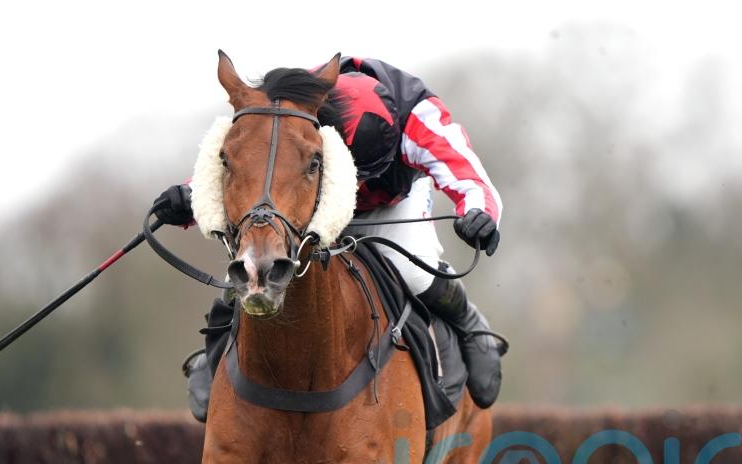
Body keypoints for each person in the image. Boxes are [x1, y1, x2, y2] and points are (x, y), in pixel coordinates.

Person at [155, 56, 507, 422]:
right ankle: (212, 351)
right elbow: (255, 164)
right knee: (252, 265)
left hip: (392, 203)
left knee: (413, 271)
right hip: (316, 194)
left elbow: (468, 174)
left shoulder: (418, 117)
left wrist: (478, 213)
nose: (357, 182)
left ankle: (469, 323)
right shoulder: (295, 110)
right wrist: (190, 197)